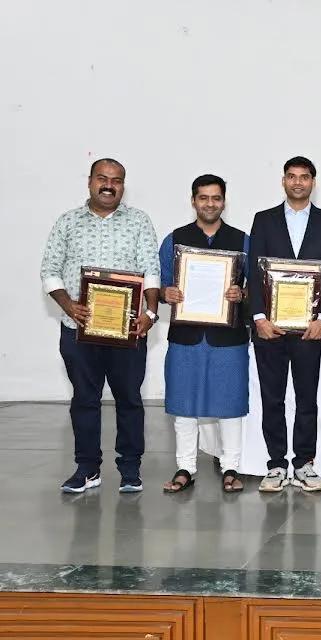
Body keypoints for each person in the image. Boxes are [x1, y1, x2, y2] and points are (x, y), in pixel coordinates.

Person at [40, 158, 161, 493]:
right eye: (102, 178)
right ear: (90, 181)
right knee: (84, 400)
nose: (109, 185)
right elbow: (49, 271)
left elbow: (151, 270)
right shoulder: (68, 222)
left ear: (123, 185)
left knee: (129, 400)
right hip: (77, 329)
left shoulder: (139, 221)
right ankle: (87, 468)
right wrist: (69, 305)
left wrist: (151, 313)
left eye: (116, 180)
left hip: (128, 330)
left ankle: (130, 469)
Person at [248, 156, 321, 493]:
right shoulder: (264, 220)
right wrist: (259, 318)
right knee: (272, 398)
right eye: (292, 176)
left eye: (304, 177)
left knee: (306, 398)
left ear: (313, 182)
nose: (298, 182)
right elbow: (252, 272)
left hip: (309, 330)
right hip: (269, 329)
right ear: (283, 181)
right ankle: (276, 464)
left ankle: (303, 464)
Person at [159, 174, 249, 494]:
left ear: (224, 201)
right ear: (193, 200)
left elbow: (257, 288)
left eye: (216, 198)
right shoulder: (174, 240)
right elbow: (160, 285)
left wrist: (242, 294)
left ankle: (231, 467)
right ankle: (185, 467)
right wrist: (166, 294)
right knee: (183, 403)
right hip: (186, 336)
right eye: (203, 198)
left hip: (229, 338)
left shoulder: (243, 240)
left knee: (230, 402)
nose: (210, 204)